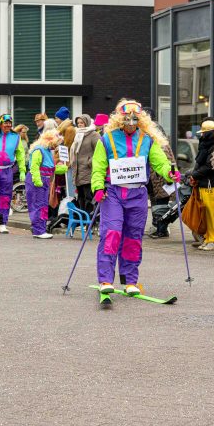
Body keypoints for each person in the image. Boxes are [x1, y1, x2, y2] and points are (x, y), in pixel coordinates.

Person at [91, 99, 176, 295]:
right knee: (112, 233)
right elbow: (98, 166)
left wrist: (169, 173)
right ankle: (105, 279)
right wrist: (97, 187)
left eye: (135, 119)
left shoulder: (147, 140)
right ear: (119, 119)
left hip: (137, 193)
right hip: (113, 193)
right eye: (127, 118)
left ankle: (130, 280)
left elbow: (160, 162)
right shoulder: (106, 139)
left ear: (141, 120)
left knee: (133, 237)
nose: (131, 122)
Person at [0, 114, 26, 234]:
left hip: (7, 170)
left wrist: (22, 170)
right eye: (5, 123)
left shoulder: (15, 137)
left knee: (5, 197)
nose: (8, 125)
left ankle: (3, 224)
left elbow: (20, 154)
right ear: (1, 123)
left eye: (9, 123)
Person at [27, 129, 67, 239]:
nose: (57, 146)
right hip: (37, 180)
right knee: (38, 205)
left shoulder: (48, 151)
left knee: (43, 205)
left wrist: (62, 169)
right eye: (56, 143)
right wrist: (37, 180)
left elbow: (49, 168)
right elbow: (34, 166)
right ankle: (38, 230)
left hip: (44, 180)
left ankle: (40, 229)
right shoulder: (39, 150)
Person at [190, 119, 214, 250]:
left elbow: (209, 166)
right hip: (205, 183)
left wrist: (195, 174)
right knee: (206, 213)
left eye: (204, 133)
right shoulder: (206, 146)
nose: (202, 135)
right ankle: (209, 238)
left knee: (212, 213)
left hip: (211, 183)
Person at [70, 115, 100, 214]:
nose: (79, 125)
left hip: (88, 171)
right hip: (78, 171)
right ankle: (83, 217)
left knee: (89, 197)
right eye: (78, 123)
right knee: (80, 197)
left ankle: (90, 219)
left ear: (87, 123)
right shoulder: (77, 134)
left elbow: (99, 151)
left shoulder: (94, 135)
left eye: (82, 123)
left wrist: (89, 161)